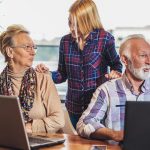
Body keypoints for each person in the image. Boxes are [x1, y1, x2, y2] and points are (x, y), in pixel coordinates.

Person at [36, 0, 122, 129]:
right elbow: (62, 75)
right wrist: (47, 74)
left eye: (76, 24)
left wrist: (115, 73)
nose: (71, 28)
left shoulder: (105, 39)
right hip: (73, 107)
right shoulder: (65, 41)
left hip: (98, 106)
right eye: (70, 22)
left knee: (98, 144)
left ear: (88, 21)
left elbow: (117, 65)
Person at [76, 34, 150, 142]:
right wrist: (115, 135)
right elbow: (84, 124)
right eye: (143, 55)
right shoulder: (106, 91)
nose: (149, 61)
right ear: (124, 60)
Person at [0, 24, 64, 133]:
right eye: (27, 47)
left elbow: (58, 120)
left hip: (43, 142)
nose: (33, 52)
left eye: (34, 47)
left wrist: (29, 127)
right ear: (10, 52)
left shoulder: (43, 79)